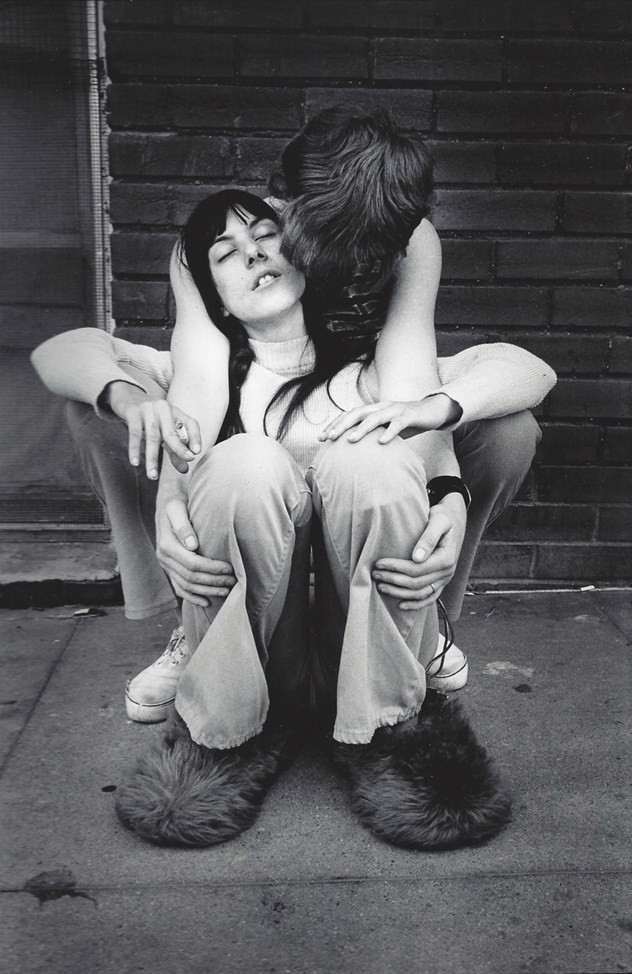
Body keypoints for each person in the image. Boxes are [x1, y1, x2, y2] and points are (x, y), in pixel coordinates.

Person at [33, 189, 556, 849]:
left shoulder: (376, 363)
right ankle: (224, 725)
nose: (253, 254)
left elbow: (526, 370)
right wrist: (131, 399)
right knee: (235, 461)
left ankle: (392, 721)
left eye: (264, 235)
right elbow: (66, 351)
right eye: (226, 253)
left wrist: (442, 459)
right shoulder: (202, 370)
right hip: (262, 625)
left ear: (305, 254)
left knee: (387, 454)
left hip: (363, 614)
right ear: (216, 300)